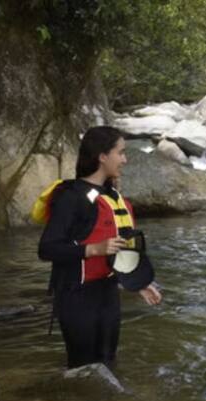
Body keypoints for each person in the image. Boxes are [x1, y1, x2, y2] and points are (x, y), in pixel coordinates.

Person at [38, 126, 161, 369]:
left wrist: (139, 282)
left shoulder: (114, 198)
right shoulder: (70, 197)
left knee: (107, 363)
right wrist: (93, 249)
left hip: (107, 294)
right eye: (121, 152)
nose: (125, 159)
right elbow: (47, 249)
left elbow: (123, 252)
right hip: (76, 296)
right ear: (102, 157)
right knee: (82, 367)